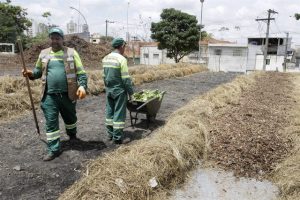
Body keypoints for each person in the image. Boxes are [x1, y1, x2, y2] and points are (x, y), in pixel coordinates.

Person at [22, 27, 88, 161]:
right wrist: (31, 74)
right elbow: (38, 71)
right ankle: (54, 149)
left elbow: (81, 72)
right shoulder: (43, 53)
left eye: (57, 38)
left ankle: (72, 135)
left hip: (67, 94)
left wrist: (82, 85)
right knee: (51, 122)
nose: (55, 41)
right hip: (49, 95)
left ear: (62, 39)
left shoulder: (71, 52)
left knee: (70, 118)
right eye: (52, 38)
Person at [102, 38, 134, 144]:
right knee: (119, 113)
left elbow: (104, 76)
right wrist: (131, 93)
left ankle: (110, 134)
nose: (124, 48)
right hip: (119, 91)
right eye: (124, 46)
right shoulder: (121, 59)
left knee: (109, 112)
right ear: (121, 46)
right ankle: (117, 137)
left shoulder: (106, 58)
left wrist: (108, 88)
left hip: (109, 90)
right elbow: (125, 78)